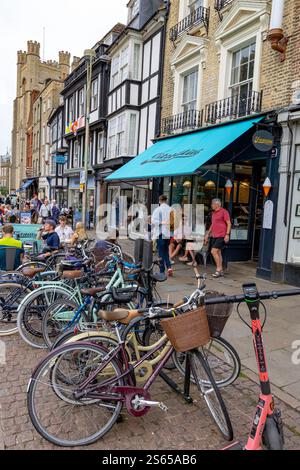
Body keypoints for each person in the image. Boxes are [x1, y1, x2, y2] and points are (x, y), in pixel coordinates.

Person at [204, 198, 232, 279]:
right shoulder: (213, 213)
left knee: (213, 251)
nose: (211, 205)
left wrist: (227, 234)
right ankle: (221, 270)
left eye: (213, 204)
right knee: (218, 252)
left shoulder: (224, 212)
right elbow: (212, 224)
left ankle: (218, 269)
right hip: (214, 235)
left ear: (217, 204)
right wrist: (207, 234)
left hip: (222, 235)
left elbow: (229, 223)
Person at [152, 195, 173, 276]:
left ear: (159, 201)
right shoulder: (171, 209)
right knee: (166, 251)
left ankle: (161, 271)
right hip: (168, 234)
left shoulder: (158, 209)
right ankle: (169, 267)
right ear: (166, 200)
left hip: (160, 233)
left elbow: (154, 221)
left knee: (161, 252)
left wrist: (161, 223)